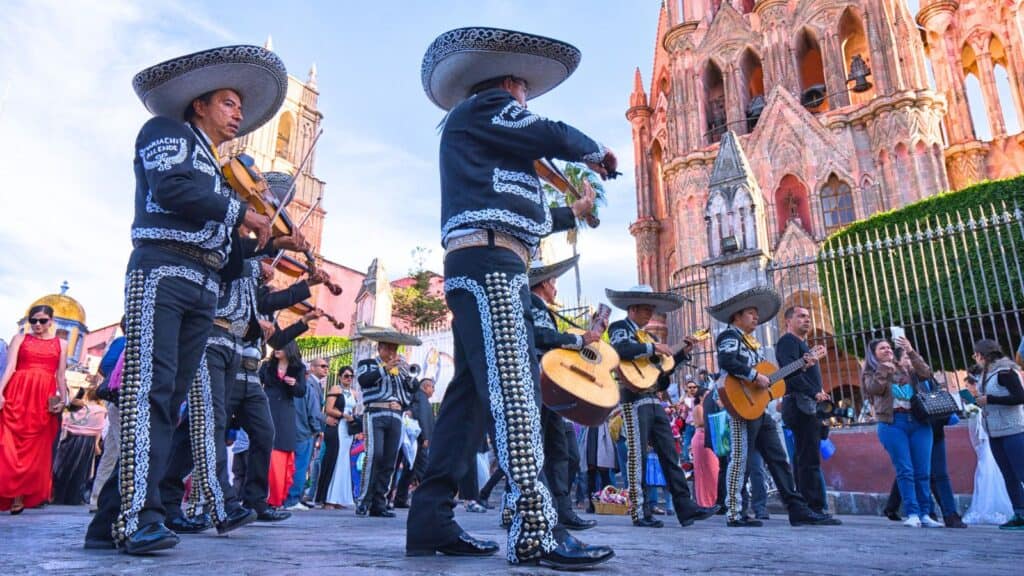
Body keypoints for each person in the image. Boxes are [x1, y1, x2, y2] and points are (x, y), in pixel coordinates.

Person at [408, 27, 618, 570]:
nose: (526, 98)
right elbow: (546, 130)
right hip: (490, 263)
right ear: (508, 85)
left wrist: (579, 211)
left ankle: (430, 518)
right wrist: (594, 151)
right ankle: (533, 527)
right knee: (515, 388)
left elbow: (534, 215)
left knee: (470, 400)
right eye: (523, 89)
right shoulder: (490, 108)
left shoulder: (491, 148)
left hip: (489, 257)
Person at [85, 44, 285, 554]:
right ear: (198, 104)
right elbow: (172, 187)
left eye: (239, 105)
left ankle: (108, 520)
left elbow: (232, 257)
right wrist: (241, 212)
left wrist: (263, 241)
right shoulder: (167, 133)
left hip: (202, 283)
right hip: (163, 272)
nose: (239, 112)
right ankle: (136, 519)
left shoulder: (218, 171)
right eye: (228, 102)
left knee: (168, 402)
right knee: (150, 393)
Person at [711, 286, 839, 528]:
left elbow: (772, 377)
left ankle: (796, 508)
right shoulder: (729, 336)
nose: (756, 317)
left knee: (778, 458)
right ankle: (734, 513)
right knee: (740, 458)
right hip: (740, 405)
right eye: (751, 313)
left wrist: (802, 364)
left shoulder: (753, 343)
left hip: (759, 408)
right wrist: (752, 376)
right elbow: (727, 361)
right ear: (737, 316)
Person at [606, 285, 717, 529]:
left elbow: (661, 375)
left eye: (651, 310)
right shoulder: (620, 328)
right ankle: (640, 510)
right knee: (638, 456)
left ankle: (685, 508)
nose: (650, 314)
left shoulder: (652, 338)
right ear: (632, 309)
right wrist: (652, 348)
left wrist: (681, 354)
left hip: (654, 399)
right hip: (633, 399)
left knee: (671, 455)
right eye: (646, 310)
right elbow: (620, 350)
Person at [862, 336, 942, 528]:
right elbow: (874, 389)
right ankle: (912, 512)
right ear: (873, 354)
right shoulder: (871, 372)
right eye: (882, 348)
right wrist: (883, 369)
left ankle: (925, 513)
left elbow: (926, 373)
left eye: (889, 347)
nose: (888, 350)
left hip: (918, 421)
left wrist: (911, 352)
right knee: (905, 470)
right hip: (892, 423)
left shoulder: (905, 367)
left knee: (923, 471)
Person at [0, 305, 69, 513]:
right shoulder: (19, 339)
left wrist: (63, 400)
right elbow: (10, 367)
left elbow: (60, 375)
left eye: (42, 320)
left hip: (42, 398)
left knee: (33, 448)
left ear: (51, 320)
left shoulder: (62, 343)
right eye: (33, 321)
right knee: (7, 443)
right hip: (17, 392)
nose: (37, 325)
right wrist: (0, 391)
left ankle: (18, 497)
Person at [356, 326, 421, 518]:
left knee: (390, 460)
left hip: (396, 415)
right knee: (375, 455)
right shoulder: (368, 363)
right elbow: (364, 381)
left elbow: (412, 390)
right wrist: (385, 368)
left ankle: (380, 502)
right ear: (380, 349)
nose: (393, 353)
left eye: (395, 349)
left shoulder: (401, 370)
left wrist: (408, 375)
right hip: (375, 411)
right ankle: (363, 501)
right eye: (389, 349)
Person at [777, 306, 830, 515]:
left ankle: (808, 505)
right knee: (808, 458)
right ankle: (813, 506)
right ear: (788, 321)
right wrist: (814, 392)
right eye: (801, 316)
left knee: (804, 456)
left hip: (808, 404)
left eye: (808, 316)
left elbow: (805, 374)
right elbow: (789, 374)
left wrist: (820, 390)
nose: (807, 320)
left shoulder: (803, 345)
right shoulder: (787, 342)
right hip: (800, 404)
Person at [971, 339, 1024, 530]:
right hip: (994, 431)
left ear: (982, 355)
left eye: (975, 354)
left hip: (1013, 430)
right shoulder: (987, 374)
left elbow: (1020, 397)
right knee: (1008, 474)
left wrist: (989, 399)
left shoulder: (1005, 372)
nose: (974, 358)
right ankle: (1019, 512)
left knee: (1021, 471)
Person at [261, 342, 307, 510]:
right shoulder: (267, 366)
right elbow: (257, 384)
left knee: (281, 452)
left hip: (286, 413)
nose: (276, 349)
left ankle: (276, 498)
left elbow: (302, 391)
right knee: (265, 450)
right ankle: (261, 496)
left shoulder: (298, 368)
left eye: (280, 345)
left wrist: (293, 383)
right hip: (267, 408)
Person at [89, 320, 127, 512]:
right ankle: (120, 500)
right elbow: (107, 366)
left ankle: (97, 498)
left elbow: (104, 367)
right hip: (123, 399)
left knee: (111, 452)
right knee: (124, 449)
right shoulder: (125, 342)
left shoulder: (120, 342)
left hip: (114, 398)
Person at [52, 384, 108, 505]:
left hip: (71, 438)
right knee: (82, 470)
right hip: (88, 441)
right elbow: (99, 428)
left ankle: (60, 496)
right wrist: (97, 444)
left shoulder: (80, 407)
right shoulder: (102, 410)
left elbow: (67, 420)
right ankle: (75, 497)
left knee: (65, 467)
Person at [284, 358, 325, 510]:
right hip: (304, 432)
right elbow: (313, 412)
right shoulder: (307, 389)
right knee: (300, 467)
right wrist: (316, 429)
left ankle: (284, 497)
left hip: (287, 431)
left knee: (287, 466)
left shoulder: (285, 387)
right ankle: (293, 499)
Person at [317, 365, 358, 508]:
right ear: (340, 377)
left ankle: (341, 497)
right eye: (346, 376)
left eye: (351, 376)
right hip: (337, 426)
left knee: (344, 461)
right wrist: (342, 415)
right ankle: (328, 497)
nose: (349, 379)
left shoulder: (354, 392)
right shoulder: (335, 389)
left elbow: (354, 411)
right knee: (333, 459)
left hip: (348, 429)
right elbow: (328, 409)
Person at [394, 377, 435, 508]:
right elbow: (422, 419)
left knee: (410, 470)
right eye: (432, 387)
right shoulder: (421, 399)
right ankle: (429, 498)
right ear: (426, 387)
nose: (433, 391)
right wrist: (424, 438)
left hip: (418, 439)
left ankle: (400, 498)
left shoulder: (420, 399)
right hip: (419, 440)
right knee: (423, 468)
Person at [691, 388, 719, 507]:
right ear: (701, 397)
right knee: (704, 472)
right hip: (701, 438)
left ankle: (713, 499)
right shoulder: (699, 407)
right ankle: (705, 501)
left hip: (709, 438)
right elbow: (700, 422)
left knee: (714, 471)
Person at [679, 381, 699, 465]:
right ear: (687, 389)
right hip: (689, 425)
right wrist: (684, 410)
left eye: (694, 387)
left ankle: (697, 460)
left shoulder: (700, 398)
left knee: (698, 444)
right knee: (687, 443)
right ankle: (687, 462)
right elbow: (683, 416)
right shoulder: (685, 400)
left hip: (699, 426)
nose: (692, 389)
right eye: (690, 387)